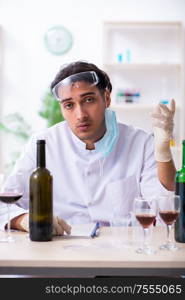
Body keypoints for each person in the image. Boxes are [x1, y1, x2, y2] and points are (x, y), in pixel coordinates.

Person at [0, 61, 176, 235]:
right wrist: (22, 219)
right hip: (58, 248)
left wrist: (163, 153)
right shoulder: (42, 144)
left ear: (106, 98)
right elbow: (4, 205)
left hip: (122, 251)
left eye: (89, 100)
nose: (80, 115)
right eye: (69, 105)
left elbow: (166, 212)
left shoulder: (140, 142)